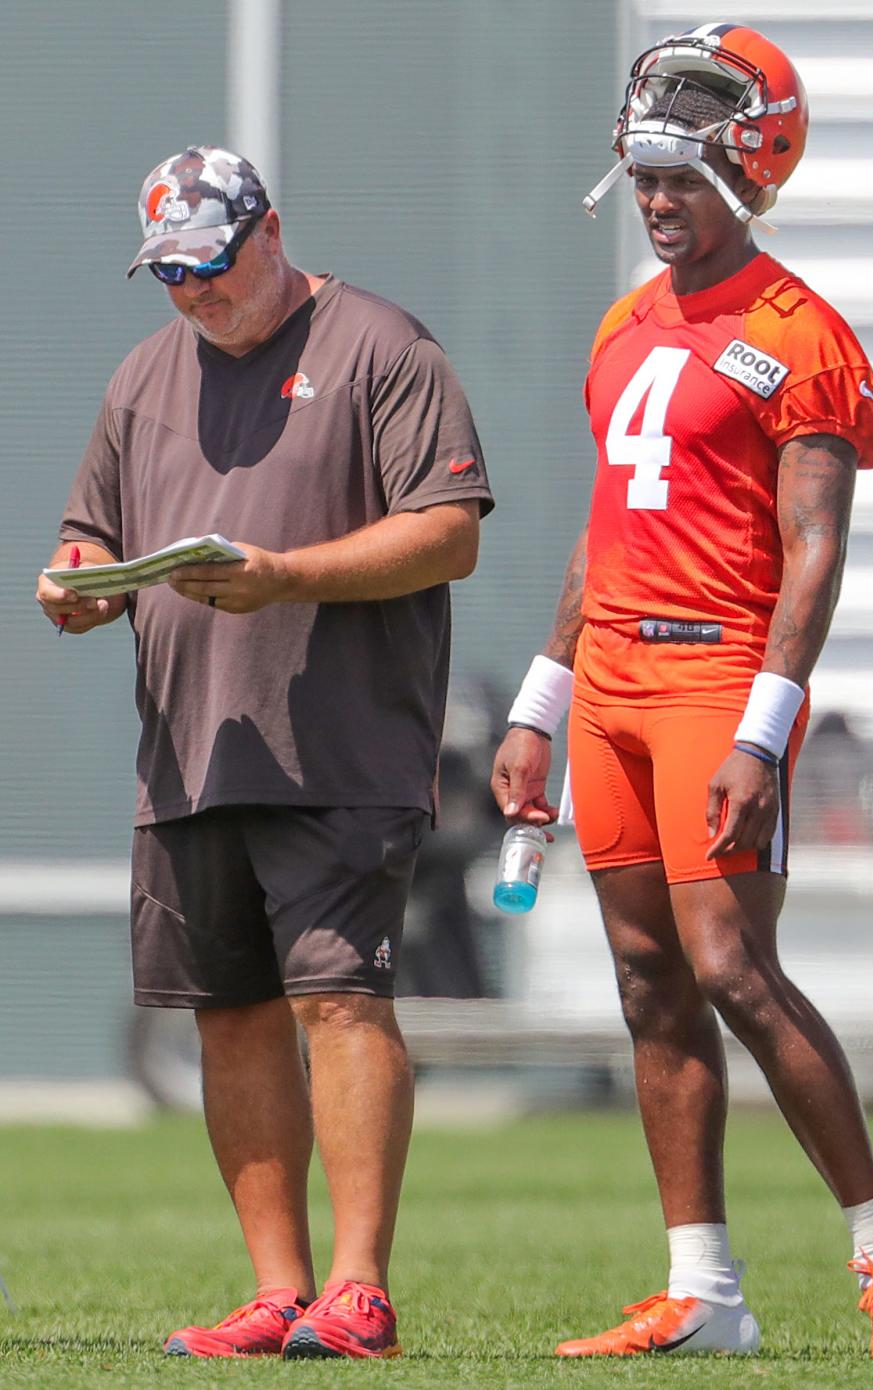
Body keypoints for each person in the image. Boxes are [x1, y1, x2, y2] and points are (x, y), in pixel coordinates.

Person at [491, 24, 873, 1360]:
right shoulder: (626, 322)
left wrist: (767, 723)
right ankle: (705, 1287)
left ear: (748, 174)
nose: (654, 200)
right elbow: (606, 527)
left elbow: (817, 549)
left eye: (679, 177)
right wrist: (537, 696)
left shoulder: (799, 334)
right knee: (647, 977)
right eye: (642, 176)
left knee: (732, 964)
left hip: (713, 673)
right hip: (613, 675)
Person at [36, 145, 493, 1360]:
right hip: (187, 757)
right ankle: (279, 1289)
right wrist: (78, 584)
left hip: (339, 750)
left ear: (271, 231)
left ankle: (359, 1288)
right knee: (227, 1015)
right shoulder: (145, 375)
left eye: (210, 266)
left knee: (340, 999)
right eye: (170, 275)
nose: (194, 293)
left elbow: (448, 534)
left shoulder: (384, 348)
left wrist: (285, 577)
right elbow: (91, 532)